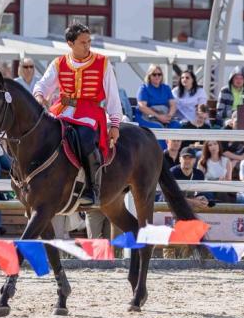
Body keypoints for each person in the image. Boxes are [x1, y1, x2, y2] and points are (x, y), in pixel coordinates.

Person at [33, 23, 122, 206]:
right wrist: (40, 96)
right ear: (70, 43)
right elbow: (42, 85)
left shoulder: (103, 62)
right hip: (62, 109)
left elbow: (113, 95)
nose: (87, 46)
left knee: (86, 137)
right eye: (83, 42)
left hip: (90, 111)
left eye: (89, 41)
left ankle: (92, 188)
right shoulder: (59, 63)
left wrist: (115, 124)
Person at [134, 64, 182, 130]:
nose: (157, 76)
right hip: (147, 117)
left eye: (159, 74)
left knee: (176, 125)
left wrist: (169, 116)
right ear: (149, 76)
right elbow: (142, 107)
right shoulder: (144, 88)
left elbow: (173, 104)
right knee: (158, 127)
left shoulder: (166, 88)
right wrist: (159, 117)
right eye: (154, 74)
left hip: (164, 116)